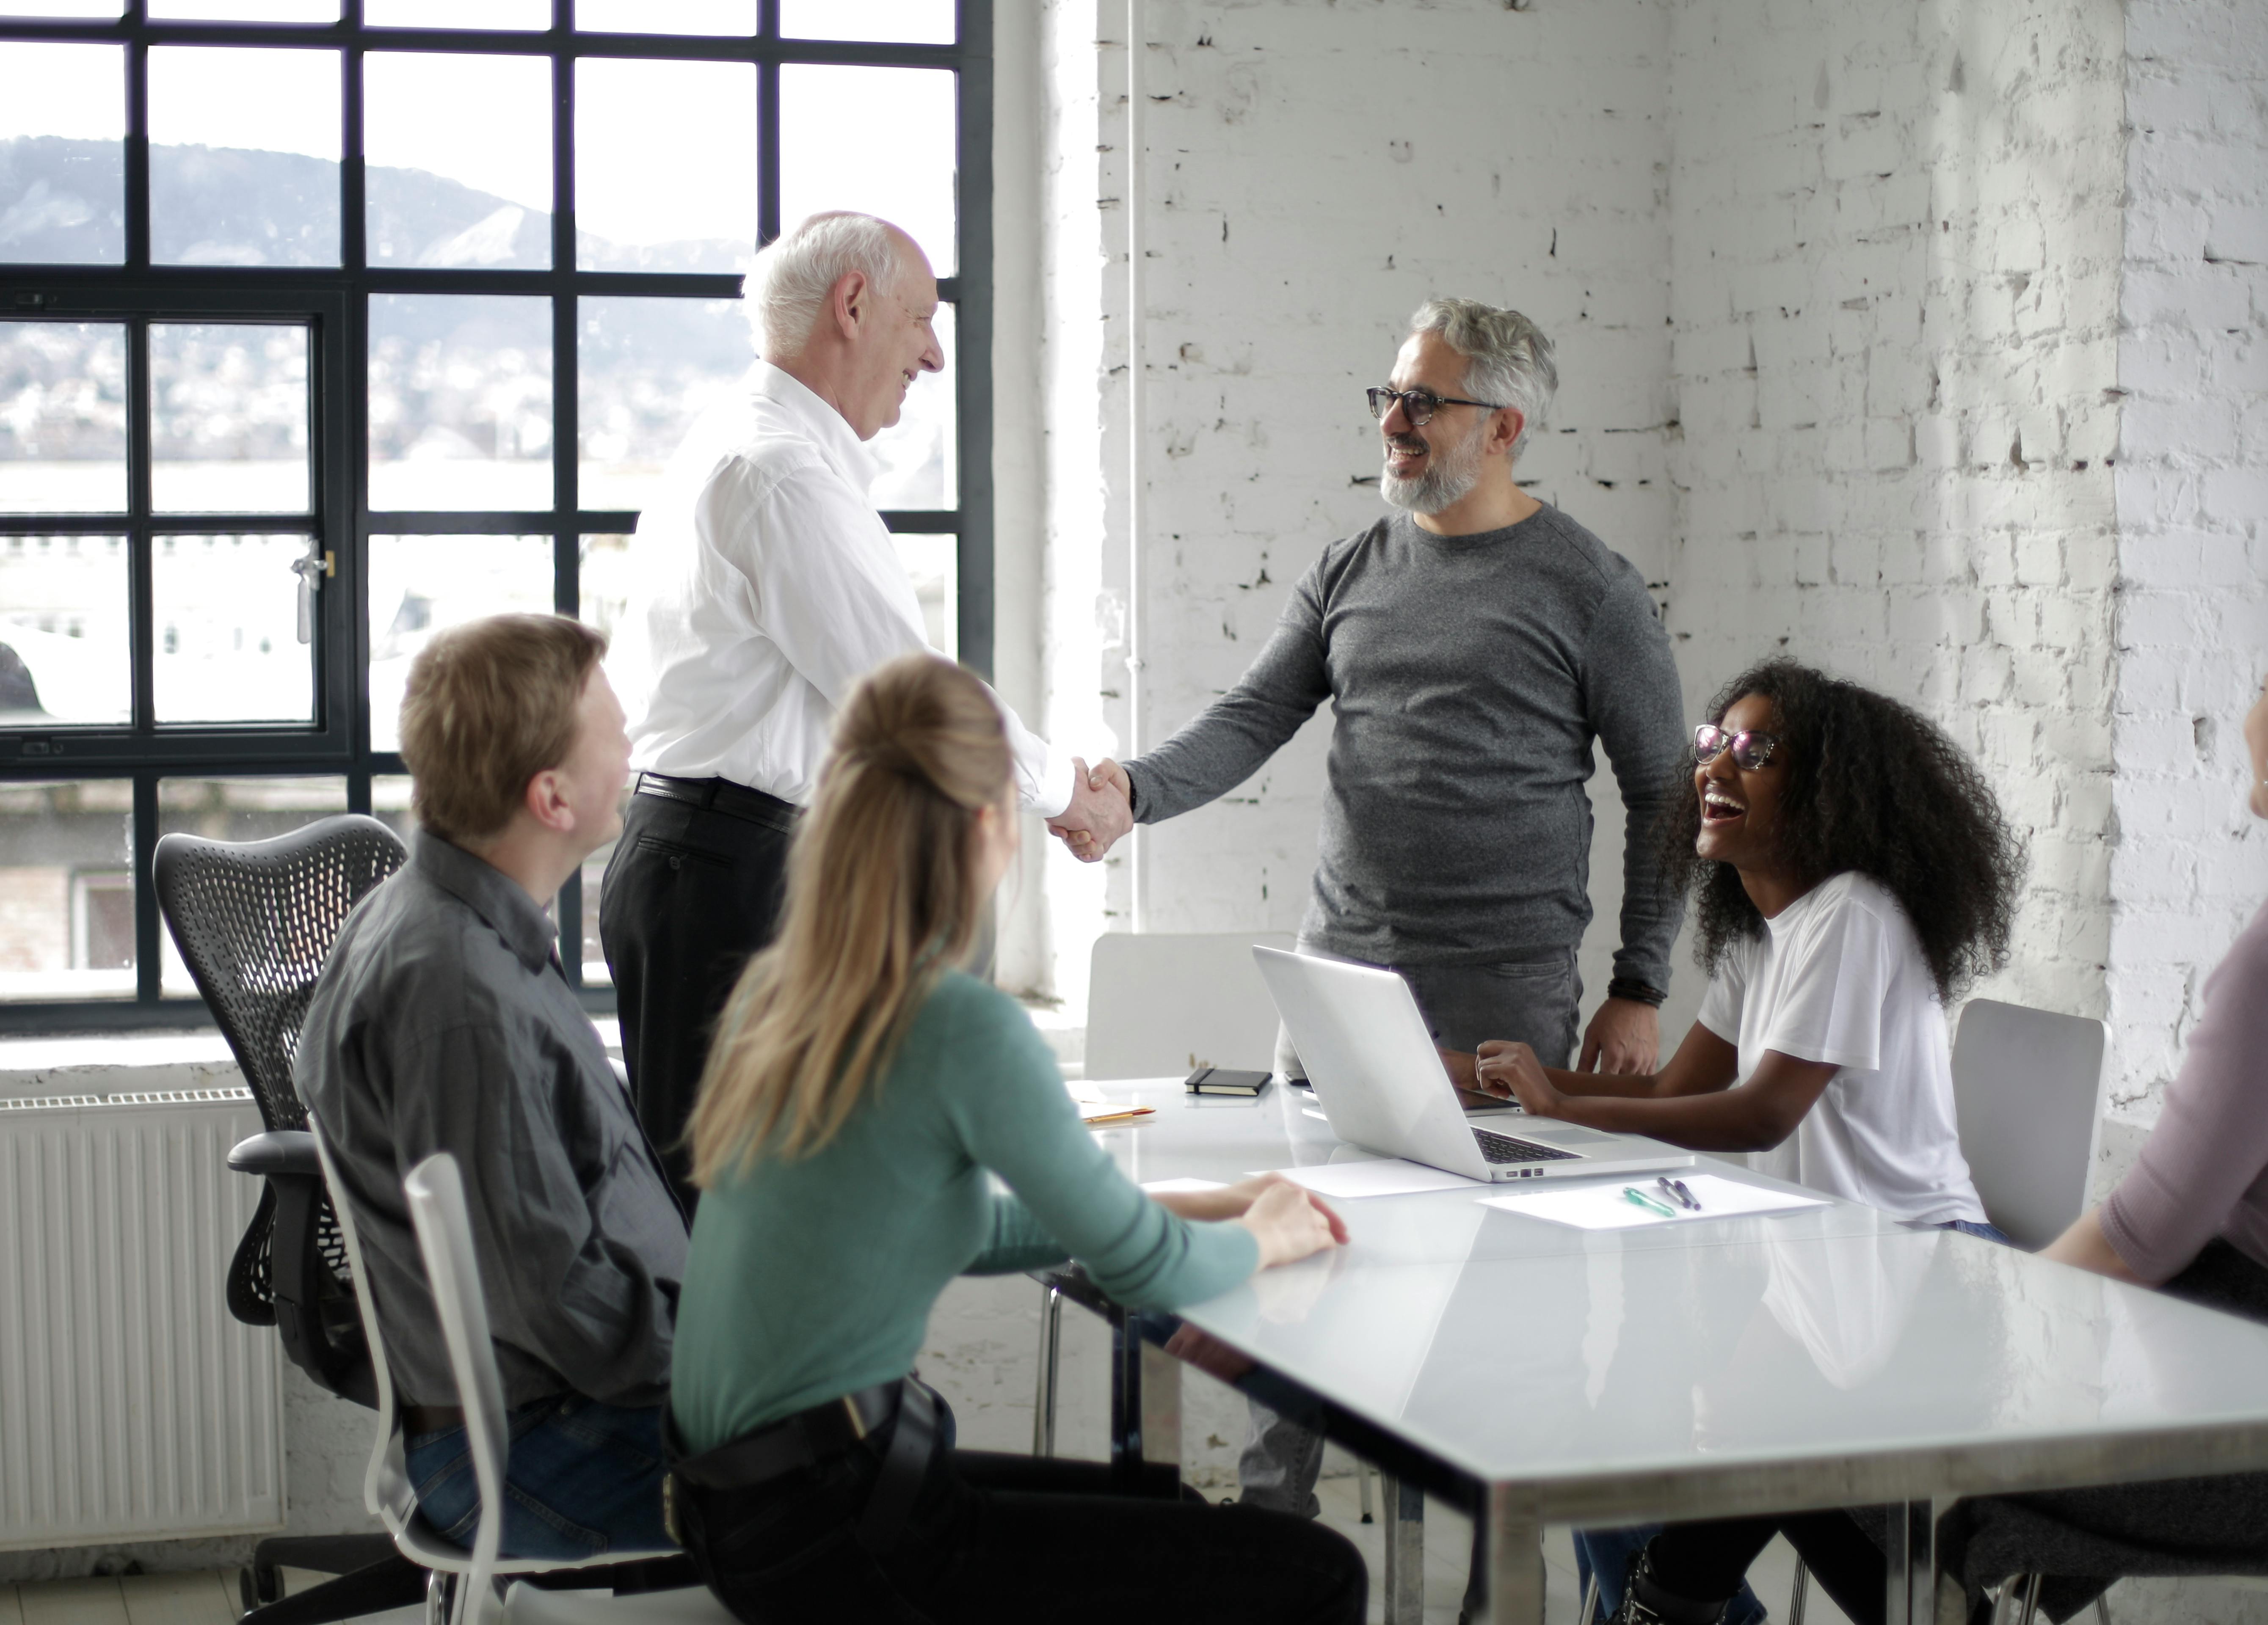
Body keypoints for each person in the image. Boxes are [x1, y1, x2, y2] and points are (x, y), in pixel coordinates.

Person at [1063, 296, 1689, 1520]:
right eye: (1389, 396)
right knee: (1301, 1276)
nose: (1394, 422)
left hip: (1504, 995)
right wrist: (1133, 793)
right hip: (1338, 984)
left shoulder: (1592, 589)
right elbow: (1252, 718)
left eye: (1424, 401)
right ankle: (1271, 1555)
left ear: (1504, 427)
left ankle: (1488, 1577)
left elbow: (1665, 791)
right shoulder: (1353, 564)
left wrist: (1641, 983)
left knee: (1497, 1311)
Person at [662, 652, 1367, 1625]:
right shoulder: (957, 1024)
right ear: (994, 826)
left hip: (735, 1511)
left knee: (1160, 1509)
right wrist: (1273, 1236)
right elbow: (1151, 1273)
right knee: (1318, 1572)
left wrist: (1205, 1204)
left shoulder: (778, 995)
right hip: (836, 1529)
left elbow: (949, 1227)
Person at [1464, 659, 2021, 1625]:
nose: (1718, 767)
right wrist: (1482, 1080)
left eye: (1756, 752)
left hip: (1918, 1276)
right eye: (1712, 744)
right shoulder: (1764, 939)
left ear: (1831, 788)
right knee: (1632, 1482)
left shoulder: (1855, 916)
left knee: (1711, 1509)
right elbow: (1684, 1092)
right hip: (1824, 1270)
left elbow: (1760, 1115)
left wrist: (1559, 1108)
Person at [1927, 599, 2268, 1625]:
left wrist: (1965, 1347)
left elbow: (2138, 1240)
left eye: (2267, 687)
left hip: (2254, 1438)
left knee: (1865, 1450)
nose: (2252, 715)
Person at [601, 210, 1127, 1199]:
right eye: (921, 319)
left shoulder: (750, 444)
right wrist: (1067, 793)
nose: (933, 353)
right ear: (852, 306)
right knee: (737, 1226)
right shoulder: (780, 473)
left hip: (720, 865)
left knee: (763, 1211)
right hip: (726, 880)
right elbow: (907, 696)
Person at [299, 614, 688, 1559]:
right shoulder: (461, 997)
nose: (634, 739)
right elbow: (560, 1302)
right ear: (551, 797)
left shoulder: (448, 917)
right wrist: (730, 1360)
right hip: (538, 1449)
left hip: (563, 1412)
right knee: (875, 1507)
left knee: (888, 1450)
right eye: (613, 727)